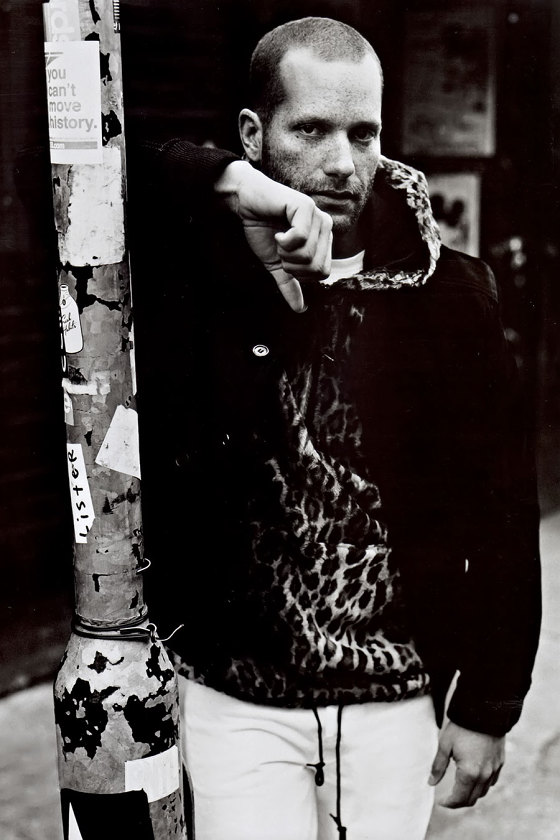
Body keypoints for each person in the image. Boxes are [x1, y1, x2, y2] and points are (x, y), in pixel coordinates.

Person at [129, 16, 541, 840]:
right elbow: (74, 169)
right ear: (255, 133)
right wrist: (230, 185)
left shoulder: (449, 294)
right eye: (311, 130)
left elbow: (501, 511)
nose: (343, 163)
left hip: (395, 694)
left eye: (364, 133)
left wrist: (490, 705)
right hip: (235, 695)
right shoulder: (202, 269)